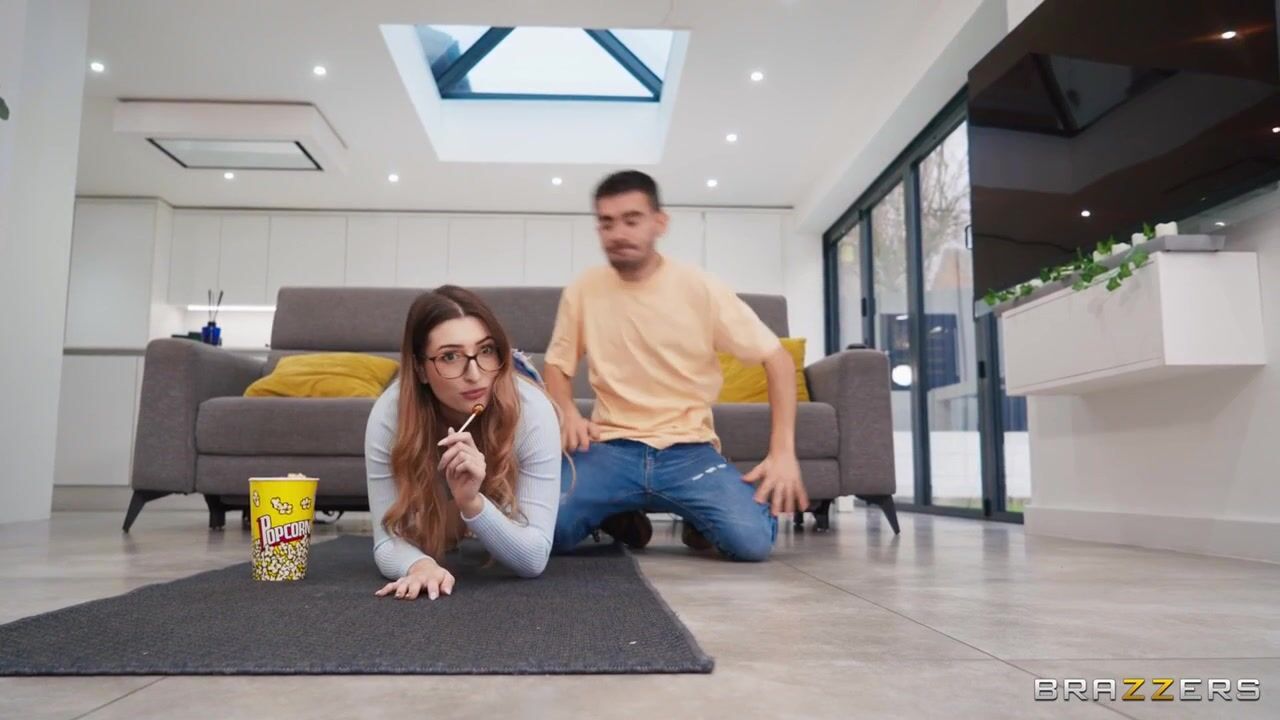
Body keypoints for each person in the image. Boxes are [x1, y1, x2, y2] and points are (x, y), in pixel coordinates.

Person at [545, 170, 808, 562]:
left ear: (659, 222)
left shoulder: (700, 287)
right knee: (547, 532)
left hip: (688, 450)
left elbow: (778, 360)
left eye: (632, 220)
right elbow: (556, 365)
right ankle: (620, 513)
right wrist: (566, 411)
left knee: (752, 543)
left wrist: (783, 452)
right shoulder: (584, 290)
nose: (618, 233)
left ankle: (695, 517)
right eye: (607, 223)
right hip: (611, 448)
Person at [366, 285, 562, 600]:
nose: (474, 374)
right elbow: (387, 540)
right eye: (450, 356)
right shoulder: (390, 416)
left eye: (486, 350)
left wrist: (472, 502)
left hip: (519, 485)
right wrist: (419, 565)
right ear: (420, 369)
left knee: (565, 527)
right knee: (435, 536)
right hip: (452, 505)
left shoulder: (532, 410)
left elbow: (534, 558)